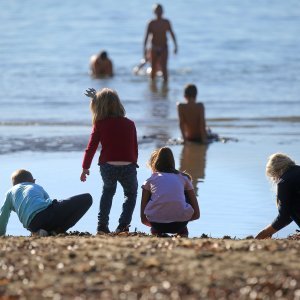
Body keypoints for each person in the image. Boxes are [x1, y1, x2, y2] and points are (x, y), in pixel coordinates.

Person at [80, 88, 138, 234]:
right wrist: (133, 162)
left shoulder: (100, 124)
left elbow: (91, 148)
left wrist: (85, 167)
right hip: (128, 165)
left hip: (108, 166)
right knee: (130, 195)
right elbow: (134, 146)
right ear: (118, 104)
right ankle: (123, 226)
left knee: (108, 192)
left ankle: (102, 226)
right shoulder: (130, 124)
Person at [0, 169, 92, 236]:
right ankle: (58, 230)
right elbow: (49, 202)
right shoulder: (36, 186)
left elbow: (3, 216)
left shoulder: (10, 193)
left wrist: (1, 234)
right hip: (46, 213)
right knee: (87, 198)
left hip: (32, 225)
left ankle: (40, 232)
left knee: (47, 218)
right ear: (33, 181)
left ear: (14, 184)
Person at [140, 147, 200, 237]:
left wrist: (155, 223)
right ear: (172, 162)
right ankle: (182, 232)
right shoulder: (184, 178)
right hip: (179, 225)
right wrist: (182, 218)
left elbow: (143, 219)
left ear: (155, 162)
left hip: (157, 224)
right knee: (183, 193)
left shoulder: (150, 180)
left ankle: (156, 231)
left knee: (154, 192)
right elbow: (196, 214)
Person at [256, 153, 300, 239]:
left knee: (290, 206)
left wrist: (264, 233)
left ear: (275, 172)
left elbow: (284, 217)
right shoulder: (296, 173)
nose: (274, 180)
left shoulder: (284, 181)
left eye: (272, 177)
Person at [143, 3, 177, 82]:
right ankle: (152, 88)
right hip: (154, 48)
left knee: (164, 68)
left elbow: (172, 34)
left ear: (163, 11)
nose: (158, 12)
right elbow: (146, 37)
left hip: (163, 48)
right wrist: (144, 50)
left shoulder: (166, 22)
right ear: (154, 12)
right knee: (153, 68)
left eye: (160, 10)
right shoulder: (151, 23)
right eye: (157, 10)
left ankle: (165, 88)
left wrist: (175, 46)